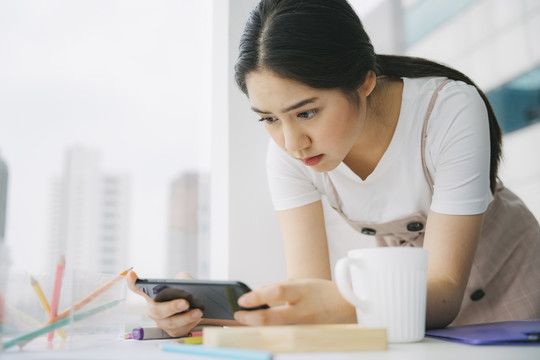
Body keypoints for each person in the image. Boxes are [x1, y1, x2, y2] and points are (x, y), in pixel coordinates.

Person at [128, 0, 540, 335]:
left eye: (306, 112)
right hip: (401, 316)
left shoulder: (448, 109)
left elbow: (445, 293)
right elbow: (309, 292)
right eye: (268, 118)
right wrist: (195, 314)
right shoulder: (291, 157)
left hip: (508, 289)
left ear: (363, 81)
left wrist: (340, 302)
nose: (291, 142)